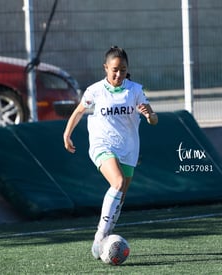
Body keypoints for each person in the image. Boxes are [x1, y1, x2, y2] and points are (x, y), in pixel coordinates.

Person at [63, 46, 158, 259]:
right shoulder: (95, 90)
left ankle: (105, 237)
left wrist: (149, 115)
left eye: (123, 70)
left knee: (121, 194)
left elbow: (154, 120)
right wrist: (67, 134)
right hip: (102, 144)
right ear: (106, 68)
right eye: (114, 69)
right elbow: (79, 111)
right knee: (117, 182)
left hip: (129, 149)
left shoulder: (135, 90)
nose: (118, 74)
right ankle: (100, 237)